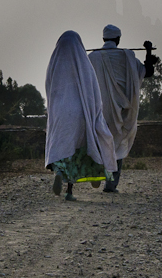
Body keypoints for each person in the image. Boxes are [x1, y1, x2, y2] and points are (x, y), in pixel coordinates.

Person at [44, 30, 118, 201]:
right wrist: (94, 113)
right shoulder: (83, 63)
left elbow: (49, 90)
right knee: (81, 149)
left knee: (63, 147)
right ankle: (72, 189)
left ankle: (60, 173)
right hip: (80, 112)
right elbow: (94, 91)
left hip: (61, 112)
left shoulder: (54, 63)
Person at [88, 24, 157, 192]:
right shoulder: (128, 56)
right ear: (118, 39)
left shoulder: (93, 57)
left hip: (99, 110)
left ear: (103, 39)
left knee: (98, 142)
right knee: (117, 145)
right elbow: (147, 72)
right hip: (122, 112)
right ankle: (110, 184)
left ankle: (98, 173)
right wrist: (148, 52)